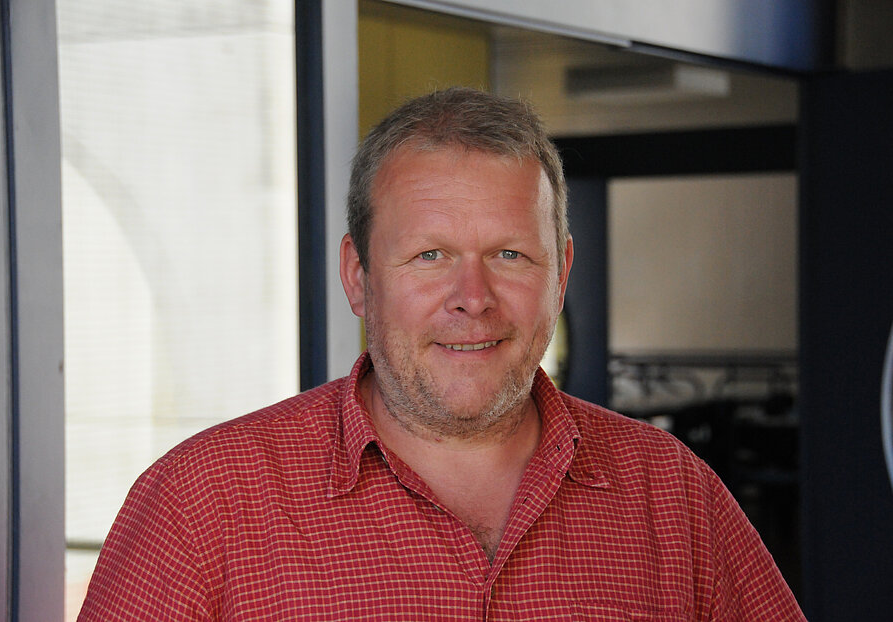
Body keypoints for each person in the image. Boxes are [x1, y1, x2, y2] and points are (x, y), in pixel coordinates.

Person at [79, 87, 805, 620]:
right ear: (357, 277)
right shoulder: (202, 505)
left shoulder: (672, 497)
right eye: (429, 255)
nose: (472, 296)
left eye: (512, 255)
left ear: (561, 275)